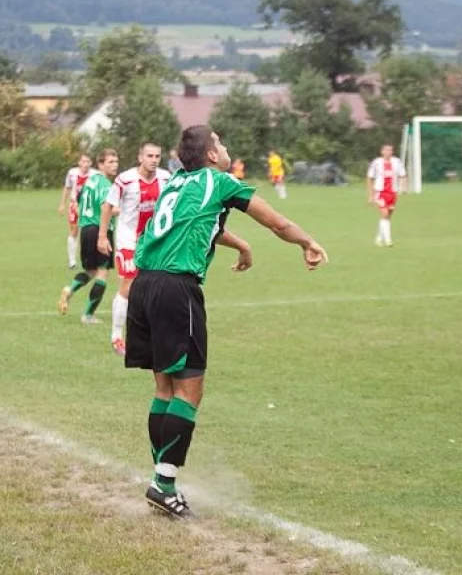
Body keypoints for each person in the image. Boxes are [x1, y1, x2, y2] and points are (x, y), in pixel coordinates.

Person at [125, 125, 328, 518]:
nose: (225, 146)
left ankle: (161, 479)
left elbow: (202, 224)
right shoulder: (221, 181)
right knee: (190, 389)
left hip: (143, 284)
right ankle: (163, 484)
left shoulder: (177, 183)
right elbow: (277, 223)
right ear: (212, 155)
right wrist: (307, 241)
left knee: (165, 387)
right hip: (175, 289)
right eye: (220, 141)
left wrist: (242, 245)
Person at [98, 143, 170, 356]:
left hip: (153, 241)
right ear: (140, 157)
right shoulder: (125, 179)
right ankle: (117, 336)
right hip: (128, 240)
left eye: (157, 156)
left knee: (156, 285)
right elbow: (107, 205)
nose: (154, 159)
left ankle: (148, 332)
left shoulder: (166, 178)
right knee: (129, 284)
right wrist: (102, 236)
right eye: (149, 155)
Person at [57, 150, 119, 324]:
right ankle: (88, 315)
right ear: (100, 164)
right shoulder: (106, 185)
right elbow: (107, 209)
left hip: (85, 229)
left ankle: (70, 289)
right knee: (103, 272)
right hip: (101, 230)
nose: (115, 165)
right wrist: (128, 209)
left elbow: (76, 202)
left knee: (91, 270)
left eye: (116, 161)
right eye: (110, 162)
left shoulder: (89, 181)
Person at [367, 144, 407, 247]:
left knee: (387, 216)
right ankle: (388, 240)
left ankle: (378, 238)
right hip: (380, 192)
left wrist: (403, 188)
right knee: (384, 214)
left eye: (390, 150)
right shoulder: (376, 163)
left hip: (392, 193)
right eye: (386, 150)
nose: (388, 152)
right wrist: (371, 195)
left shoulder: (397, 162)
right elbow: (370, 178)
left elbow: (403, 175)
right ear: (382, 151)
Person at [58, 154, 92, 269]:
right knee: (74, 231)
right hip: (74, 205)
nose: (85, 164)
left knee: (90, 232)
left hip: (89, 206)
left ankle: (89, 259)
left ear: (91, 163)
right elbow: (67, 188)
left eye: (88, 162)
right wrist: (62, 203)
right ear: (79, 162)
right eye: (83, 161)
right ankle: (72, 261)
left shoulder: (95, 175)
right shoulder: (72, 173)